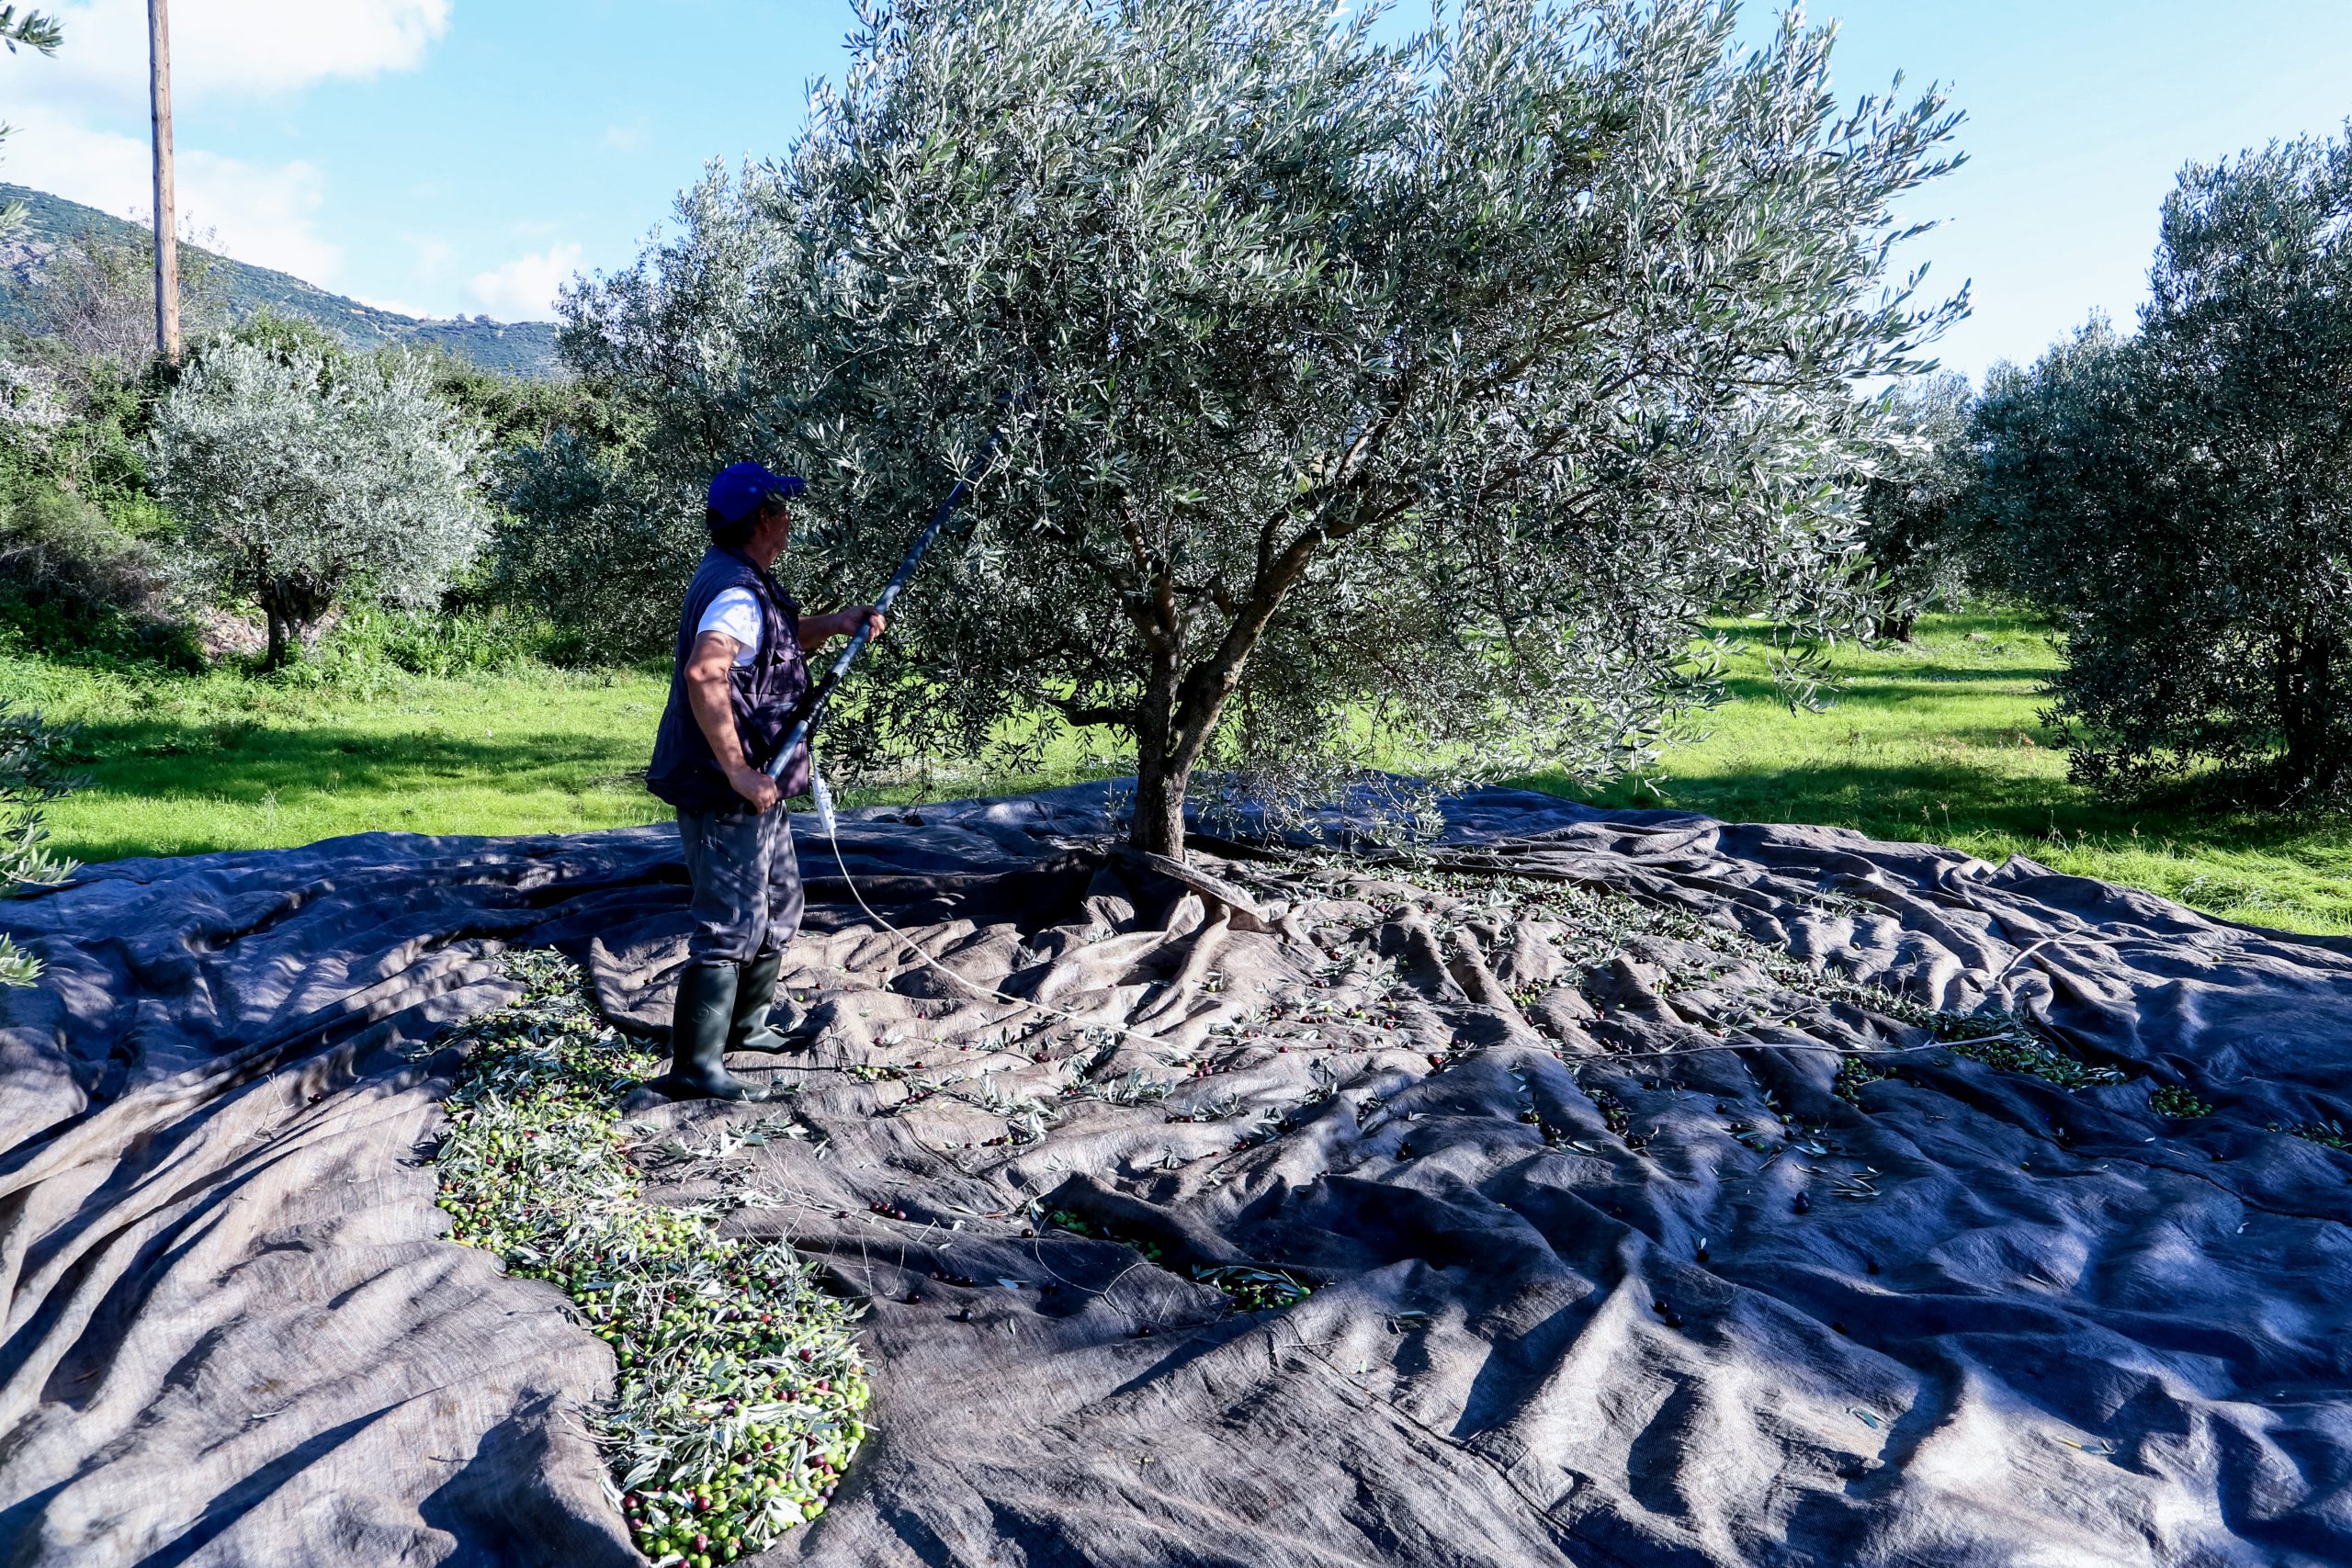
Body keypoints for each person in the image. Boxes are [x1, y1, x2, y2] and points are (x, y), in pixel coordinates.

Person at [644, 461, 884, 1101]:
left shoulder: (746, 583)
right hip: (726, 787)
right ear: (761, 521)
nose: (790, 519)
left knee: (778, 905)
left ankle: (746, 1026)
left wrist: (833, 624)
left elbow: (765, 647)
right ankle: (694, 1065)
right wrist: (739, 770)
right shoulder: (735, 593)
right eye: (783, 510)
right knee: (729, 921)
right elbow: (706, 672)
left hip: (758, 784)